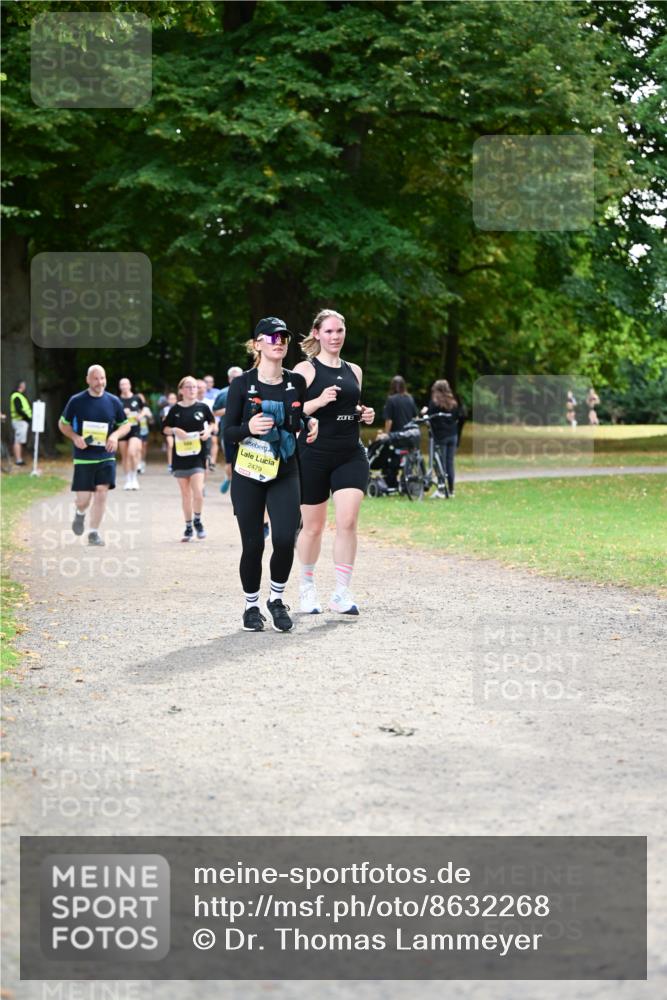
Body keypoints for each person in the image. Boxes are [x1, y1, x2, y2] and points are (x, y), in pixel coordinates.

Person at [223, 317, 318, 633]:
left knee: (283, 539)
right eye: (272, 336)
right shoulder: (241, 384)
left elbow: (299, 420)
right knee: (253, 545)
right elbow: (228, 432)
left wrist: (309, 426)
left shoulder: (296, 383)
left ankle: (276, 600)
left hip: (285, 469)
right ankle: (251, 607)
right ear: (257, 344)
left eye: (284, 337)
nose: (279, 341)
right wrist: (247, 428)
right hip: (249, 469)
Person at [293, 309, 374, 616]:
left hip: (350, 453)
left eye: (339, 331)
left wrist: (364, 413)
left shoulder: (355, 370)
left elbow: (352, 407)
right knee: (313, 528)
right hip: (313, 454)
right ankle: (307, 587)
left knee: (348, 521)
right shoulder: (306, 369)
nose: (335, 336)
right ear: (317, 334)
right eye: (328, 331)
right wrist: (318, 402)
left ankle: (341, 592)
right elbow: (294, 411)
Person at [58, 365, 131, 545]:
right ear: (88, 380)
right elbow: (62, 424)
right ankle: (80, 513)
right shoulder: (76, 400)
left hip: (105, 455)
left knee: (101, 492)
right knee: (83, 500)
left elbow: (126, 425)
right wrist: (75, 437)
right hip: (84, 456)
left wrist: (114, 435)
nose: (100, 382)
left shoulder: (113, 401)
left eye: (103, 378)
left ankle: (93, 533)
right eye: (96, 378)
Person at [162, 376, 216, 542]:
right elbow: (164, 429)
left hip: (198, 455)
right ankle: (188, 527)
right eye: (188, 387)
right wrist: (175, 430)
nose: (193, 389)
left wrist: (208, 432)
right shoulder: (175, 409)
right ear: (181, 390)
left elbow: (213, 423)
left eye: (194, 387)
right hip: (181, 456)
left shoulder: (203, 407)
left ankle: (198, 521)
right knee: (185, 494)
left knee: (198, 492)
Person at [422, 379, 461, 499]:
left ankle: (441, 489)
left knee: (439, 463)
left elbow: (430, 419)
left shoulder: (434, 402)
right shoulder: (453, 402)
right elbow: (457, 417)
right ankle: (451, 490)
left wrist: (424, 413)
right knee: (450, 463)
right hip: (453, 435)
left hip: (440, 436)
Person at [213, 366, 243, 494]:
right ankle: (228, 477)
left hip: (246, 433)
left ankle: (240, 488)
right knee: (230, 462)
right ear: (229, 379)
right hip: (228, 432)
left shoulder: (250, 391)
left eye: (239, 377)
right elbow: (214, 412)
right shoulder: (223, 393)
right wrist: (229, 410)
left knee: (244, 461)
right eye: (234, 377)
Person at [117, 378, 145, 490]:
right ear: (120, 387)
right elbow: (114, 415)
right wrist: (123, 414)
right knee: (124, 456)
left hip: (135, 429)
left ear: (130, 385)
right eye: (121, 384)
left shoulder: (137, 398)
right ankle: (128, 479)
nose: (124, 386)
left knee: (132, 452)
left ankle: (134, 478)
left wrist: (140, 415)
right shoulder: (117, 400)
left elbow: (145, 409)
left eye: (126, 384)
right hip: (123, 430)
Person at [10, 380, 32, 466]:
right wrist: (26, 417)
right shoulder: (16, 396)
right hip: (20, 421)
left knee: (19, 440)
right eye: (24, 385)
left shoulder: (19, 396)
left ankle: (19, 458)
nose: (25, 387)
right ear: (21, 386)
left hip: (21, 421)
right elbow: (18, 409)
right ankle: (18, 460)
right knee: (18, 440)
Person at [160, 391, 177, 470]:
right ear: (168, 400)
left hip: (178, 431)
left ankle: (177, 463)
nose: (172, 400)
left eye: (173, 399)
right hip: (169, 430)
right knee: (170, 445)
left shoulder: (179, 408)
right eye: (170, 399)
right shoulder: (165, 409)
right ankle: (170, 464)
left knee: (178, 447)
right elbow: (164, 421)